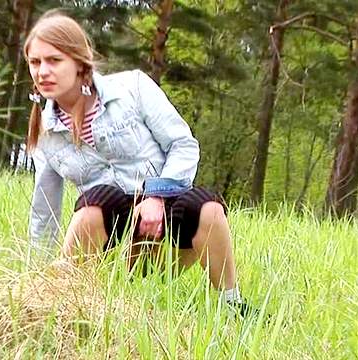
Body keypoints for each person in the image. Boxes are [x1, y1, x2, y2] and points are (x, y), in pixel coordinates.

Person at [25, 10, 255, 316]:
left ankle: (232, 304)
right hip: (112, 235)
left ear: (80, 62)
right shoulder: (45, 133)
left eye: (54, 60)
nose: (42, 71)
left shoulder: (132, 88)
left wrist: (156, 194)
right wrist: (35, 280)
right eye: (35, 62)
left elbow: (183, 145)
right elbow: (45, 210)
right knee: (94, 203)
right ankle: (64, 302)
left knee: (208, 207)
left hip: (166, 220)